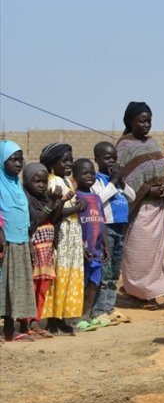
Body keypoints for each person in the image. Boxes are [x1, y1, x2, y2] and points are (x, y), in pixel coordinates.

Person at [117, 102, 164, 309]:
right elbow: (122, 179)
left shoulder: (153, 143)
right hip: (139, 210)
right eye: (142, 120)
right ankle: (139, 294)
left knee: (158, 254)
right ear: (130, 121)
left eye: (149, 120)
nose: (147, 125)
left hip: (157, 209)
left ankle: (153, 291)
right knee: (140, 255)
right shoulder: (124, 146)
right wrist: (146, 189)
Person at [40, 142, 85, 335]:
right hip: (62, 235)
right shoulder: (52, 182)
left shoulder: (67, 181)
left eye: (71, 160)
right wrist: (76, 208)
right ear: (52, 163)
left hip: (73, 236)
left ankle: (63, 318)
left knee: (69, 276)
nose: (69, 164)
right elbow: (54, 213)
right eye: (64, 160)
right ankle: (53, 319)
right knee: (59, 276)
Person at [91, 143, 134, 325]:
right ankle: (100, 310)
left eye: (114, 158)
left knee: (114, 271)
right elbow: (99, 199)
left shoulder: (116, 181)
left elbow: (131, 196)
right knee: (106, 271)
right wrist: (113, 180)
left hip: (120, 229)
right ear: (97, 160)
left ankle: (109, 307)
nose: (112, 161)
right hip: (106, 229)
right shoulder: (96, 180)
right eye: (107, 158)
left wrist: (121, 181)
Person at [0, 141, 37, 342]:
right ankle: (6, 330)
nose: (17, 163)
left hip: (21, 241)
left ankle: (11, 329)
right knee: (3, 286)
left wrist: (29, 242)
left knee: (15, 287)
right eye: (12, 159)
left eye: (20, 159)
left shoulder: (18, 187)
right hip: (5, 244)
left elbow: (24, 215)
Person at [22, 162, 60, 338]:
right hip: (33, 249)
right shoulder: (26, 199)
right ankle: (25, 323)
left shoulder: (46, 198)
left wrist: (58, 202)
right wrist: (51, 204)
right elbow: (35, 221)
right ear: (27, 180)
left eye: (44, 182)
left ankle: (36, 320)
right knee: (31, 286)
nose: (42, 185)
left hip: (46, 250)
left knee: (43, 287)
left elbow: (54, 217)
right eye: (37, 181)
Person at [72, 158, 108, 331]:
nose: (90, 176)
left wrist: (106, 245)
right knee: (82, 284)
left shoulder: (96, 198)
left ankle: (87, 315)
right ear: (75, 176)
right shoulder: (75, 198)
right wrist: (81, 246)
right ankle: (77, 317)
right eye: (85, 173)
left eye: (92, 173)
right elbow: (74, 225)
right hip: (83, 251)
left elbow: (101, 223)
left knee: (94, 284)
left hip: (97, 250)